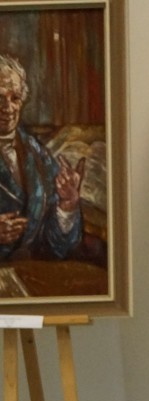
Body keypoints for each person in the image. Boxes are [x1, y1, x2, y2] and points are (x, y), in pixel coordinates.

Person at [0, 53, 83, 261]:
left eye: (15, 98)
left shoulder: (38, 155)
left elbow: (55, 246)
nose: (7, 108)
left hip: (30, 271)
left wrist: (67, 204)